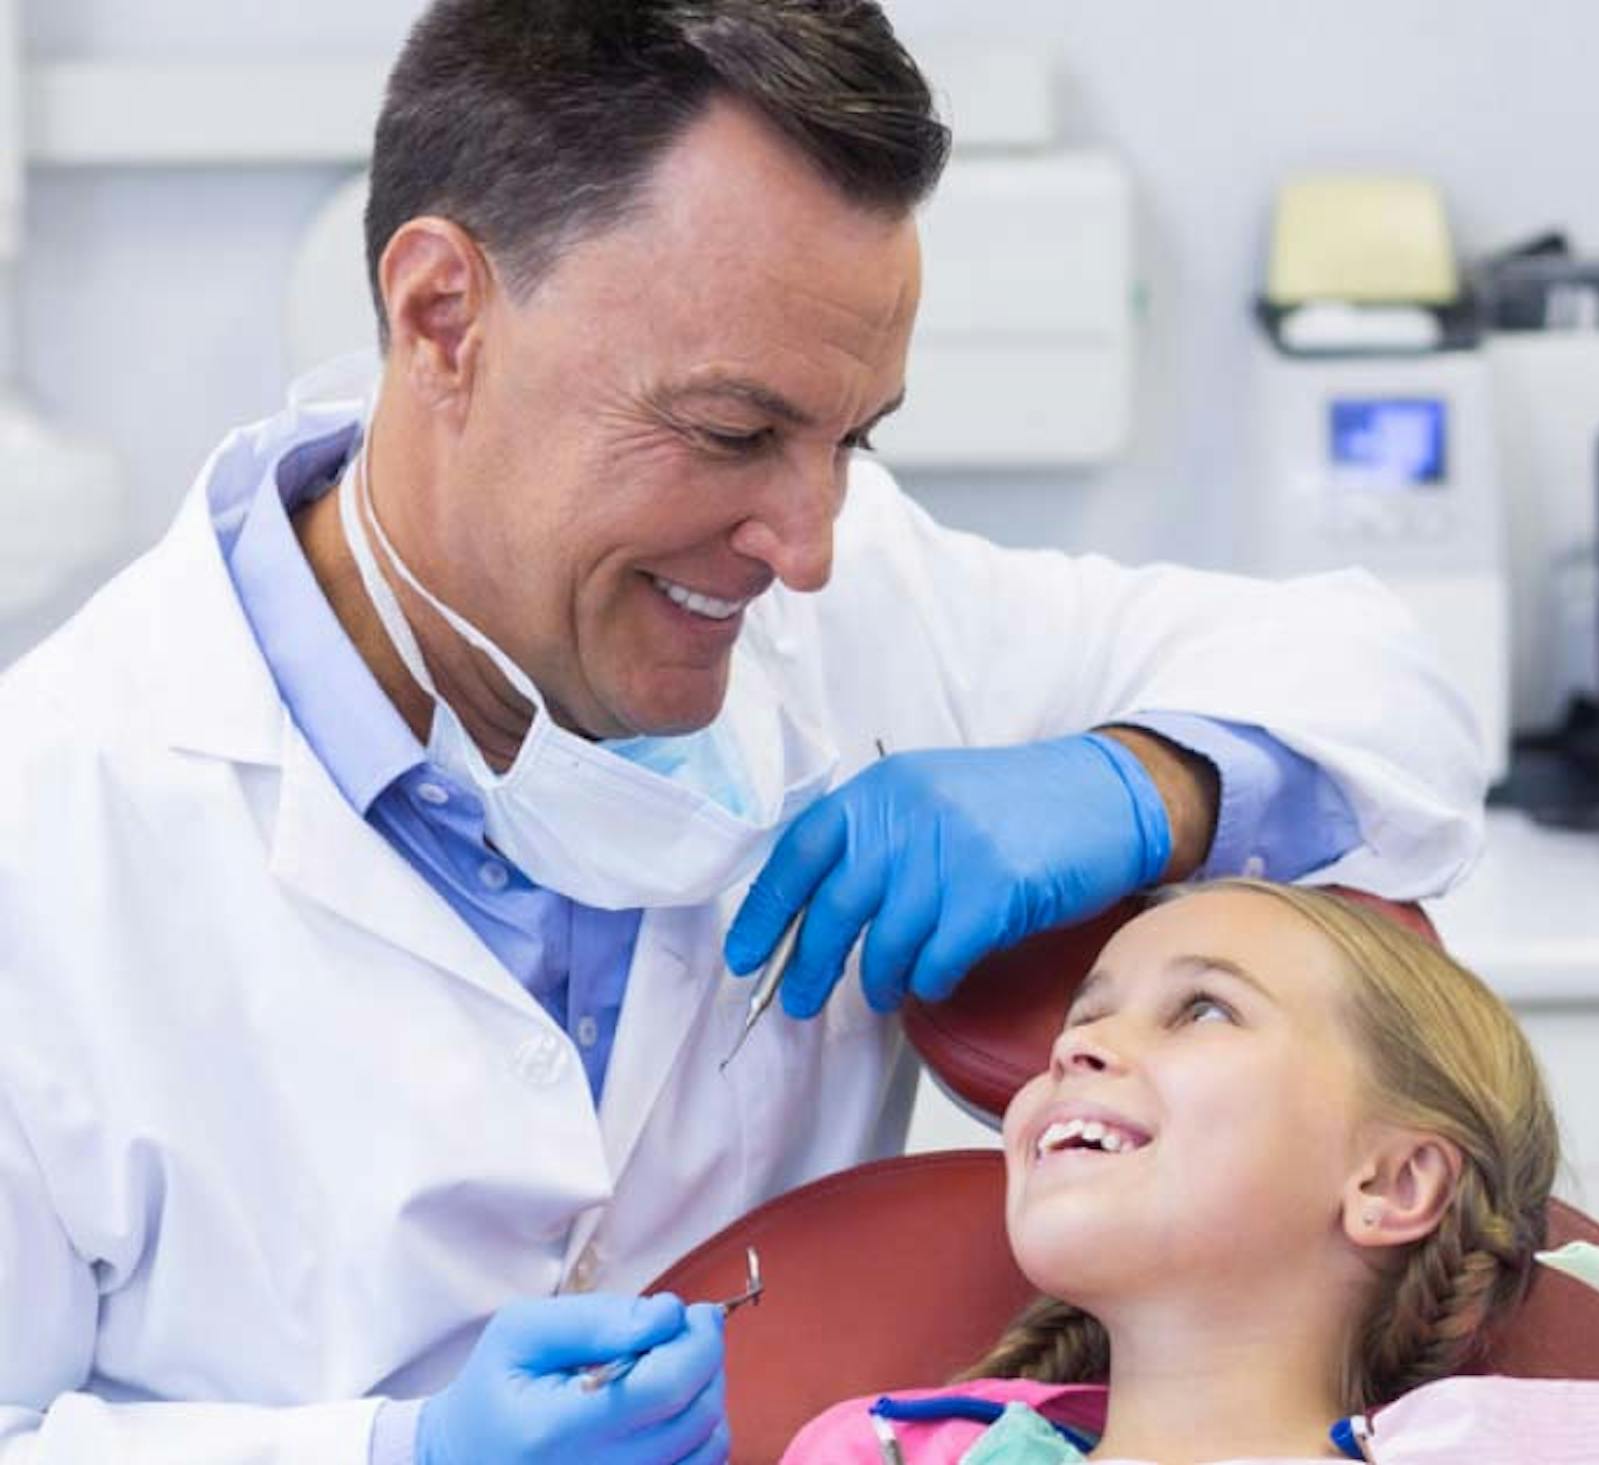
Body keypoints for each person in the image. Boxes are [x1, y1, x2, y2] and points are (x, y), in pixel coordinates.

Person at [0, 4, 1483, 1463]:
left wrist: (1140, 785)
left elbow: (1390, 691)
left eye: (854, 439)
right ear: (442, 316)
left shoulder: (864, 613)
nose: (809, 544)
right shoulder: (54, 829)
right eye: (731, 433)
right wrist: (396, 1453)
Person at [779, 879, 1599, 1464]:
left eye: (1204, 1011)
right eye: (1083, 1018)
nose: (1080, 1048)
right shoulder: (889, 1449)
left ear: (1392, 1183)